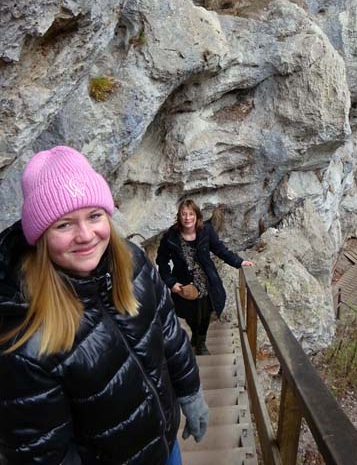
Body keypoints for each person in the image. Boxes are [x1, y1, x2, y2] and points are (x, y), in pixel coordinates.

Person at [0, 146, 209, 465]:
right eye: (64, 224)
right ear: (39, 237)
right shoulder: (25, 335)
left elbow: (168, 333)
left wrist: (190, 392)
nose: (85, 235)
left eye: (94, 216)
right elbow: (43, 454)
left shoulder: (131, 261)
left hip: (166, 445)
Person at [156, 199, 254, 355]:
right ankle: (195, 334)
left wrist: (239, 262)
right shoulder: (171, 235)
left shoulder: (206, 231)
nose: (187, 218)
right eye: (184, 214)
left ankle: (201, 342)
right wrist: (171, 283)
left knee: (204, 313)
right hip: (184, 283)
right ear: (179, 216)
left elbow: (220, 250)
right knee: (190, 314)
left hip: (207, 281)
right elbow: (162, 261)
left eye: (191, 214)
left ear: (197, 215)